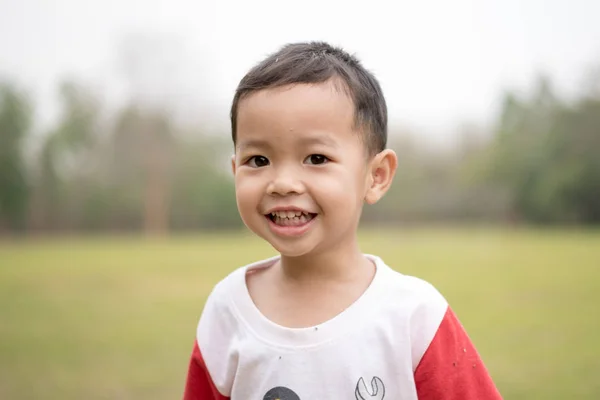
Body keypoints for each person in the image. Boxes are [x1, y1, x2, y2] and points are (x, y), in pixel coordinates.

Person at [182, 41, 502, 400]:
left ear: (376, 175)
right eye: (258, 160)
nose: (283, 183)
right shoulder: (228, 310)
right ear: (235, 170)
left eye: (316, 158)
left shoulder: (415, 317)